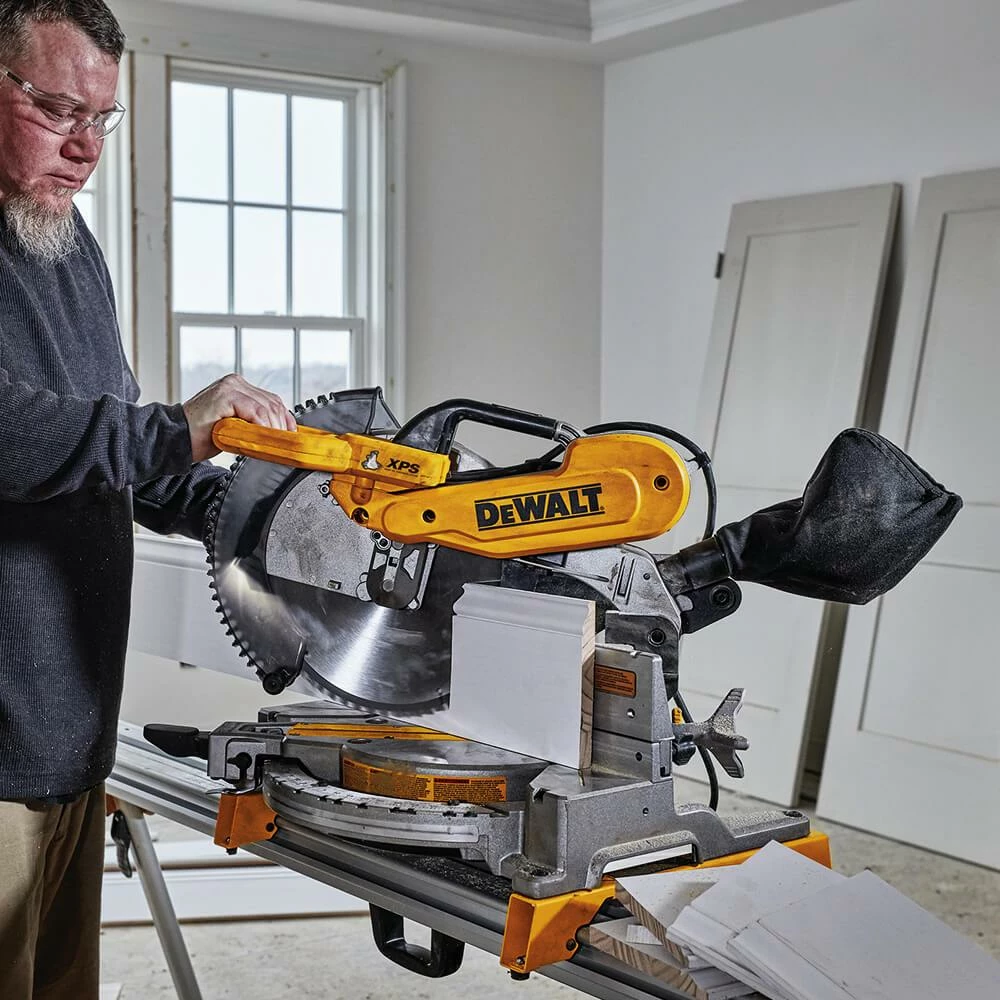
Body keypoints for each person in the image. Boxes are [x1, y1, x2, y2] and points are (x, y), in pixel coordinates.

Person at [0, 2, 296, 996]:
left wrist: (249, 510)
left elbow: (112, 444)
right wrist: (178, 427)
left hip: (71, 724)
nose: (85, 146)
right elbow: (15, 435)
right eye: (56, 109)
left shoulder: (61, 238)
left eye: (101, 118)